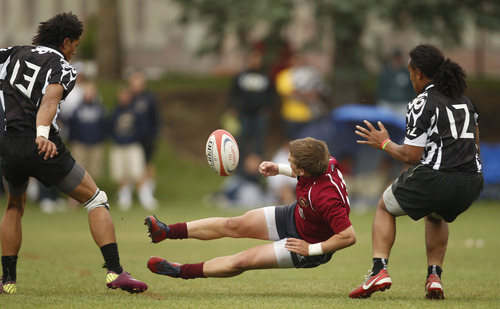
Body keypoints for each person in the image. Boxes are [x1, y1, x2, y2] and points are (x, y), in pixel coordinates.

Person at [0, 13, 147, 294]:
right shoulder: (62, 66)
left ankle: (7, 282)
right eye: (74, 46)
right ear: (65, 41)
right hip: (41, 143)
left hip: (9, 143)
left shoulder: (13, 53)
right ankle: (115, 272)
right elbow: (50, 100)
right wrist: (42, 135)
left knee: (14, 207)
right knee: (96, 199)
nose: (74, 52)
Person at [349, 44, 484, 300]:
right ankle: (434, 276)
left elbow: (411, 156)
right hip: (472, 182)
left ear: (419, 73)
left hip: (436, 178)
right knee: (436, 213)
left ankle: (379, 269)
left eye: (411, 73)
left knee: (383, 206)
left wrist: (384, 144)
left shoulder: (422, 102)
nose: (410, 78)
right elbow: (474, 147)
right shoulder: (467, 101)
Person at [144, 137, 356, 280]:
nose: (288, 159)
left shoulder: (327, 198)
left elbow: (348, 236)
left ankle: (181, 270)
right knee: (233, 224)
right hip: (296, 215)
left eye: (290, 160)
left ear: (302, 168)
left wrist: (311, 249)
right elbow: (305, 173)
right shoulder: (323, 159)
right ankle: (167, 231)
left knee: (242, 260)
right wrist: (279, 169)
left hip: (307, 243)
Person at [108, 87, 154, 211]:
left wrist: (134, 138)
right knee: (121, 173)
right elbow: (111, 128)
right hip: (119, 146)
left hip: (133, 145)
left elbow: (142, 127)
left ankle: (145, 197)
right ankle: (124, 197)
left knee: (138, 171)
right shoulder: (115, 112)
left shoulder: (136, 111)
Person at [226, 51, 276, 161]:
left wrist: (268, 107)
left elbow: (271, 94)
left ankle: (259, 170)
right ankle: (239, 167)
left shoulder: (265, 77)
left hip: (260, 114)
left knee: (259, 142)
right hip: (244, 113)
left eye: (258, 60)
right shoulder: (241, 76)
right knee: (241, 141)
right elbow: (234, 93)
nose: (255, 62)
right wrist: (232, 107)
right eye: (253, 59)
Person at [128, 71, 159, 209]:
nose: (137, 87)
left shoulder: (149, 99)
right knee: (132, 165)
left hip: (146, 138)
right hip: (131, 139)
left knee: (147, 163)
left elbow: (155, 118)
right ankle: (128, 192)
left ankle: (147, 190)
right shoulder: (128, 99)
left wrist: (153, 134)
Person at [376, 48, 415, 119]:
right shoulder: (386, 72)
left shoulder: (406, 73)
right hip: (388, 103)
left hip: (402, 103)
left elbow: (411, 89)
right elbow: (381, 88)